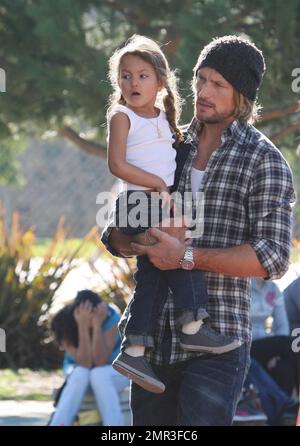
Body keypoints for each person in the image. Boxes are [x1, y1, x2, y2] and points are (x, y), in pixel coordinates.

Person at [101, 35, 295, 426]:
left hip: (217, 344)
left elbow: (273, 258)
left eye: (217, 84)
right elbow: (118, 229)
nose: (203, 92)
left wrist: (185, 256)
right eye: (199, 79)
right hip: (150, 344)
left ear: (241, 95)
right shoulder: (167, 139)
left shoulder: (264, 161)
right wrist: (130, 240)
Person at [107, 34, 238, 394]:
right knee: (181, 253)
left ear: (161, 82)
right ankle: (192, 327)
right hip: (139, 203)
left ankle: (135, 348)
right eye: (125, 75)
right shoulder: (121, 115)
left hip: (154, 203)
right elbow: (117, 164)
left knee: (159, 266)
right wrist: (158, 186)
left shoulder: (165, 121)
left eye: (143, 75)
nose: (133, 82)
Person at [49, 290, 129, 426]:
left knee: (98, 374)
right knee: (81, 373)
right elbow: (84, 363)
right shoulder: (62, 322)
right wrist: (83, 326)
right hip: (78, 372)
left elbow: (99, 362)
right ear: (77, 312)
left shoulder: (110, 317)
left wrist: (97, 325)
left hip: (113, 370)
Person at [250, 278, 299, 397]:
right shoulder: (244, 284)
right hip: (245, 342)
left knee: (284, 367)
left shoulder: (273, 289)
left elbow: (282, 326)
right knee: (293, 345)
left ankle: (285, 406)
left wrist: (277, 355)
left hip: (266, 344)